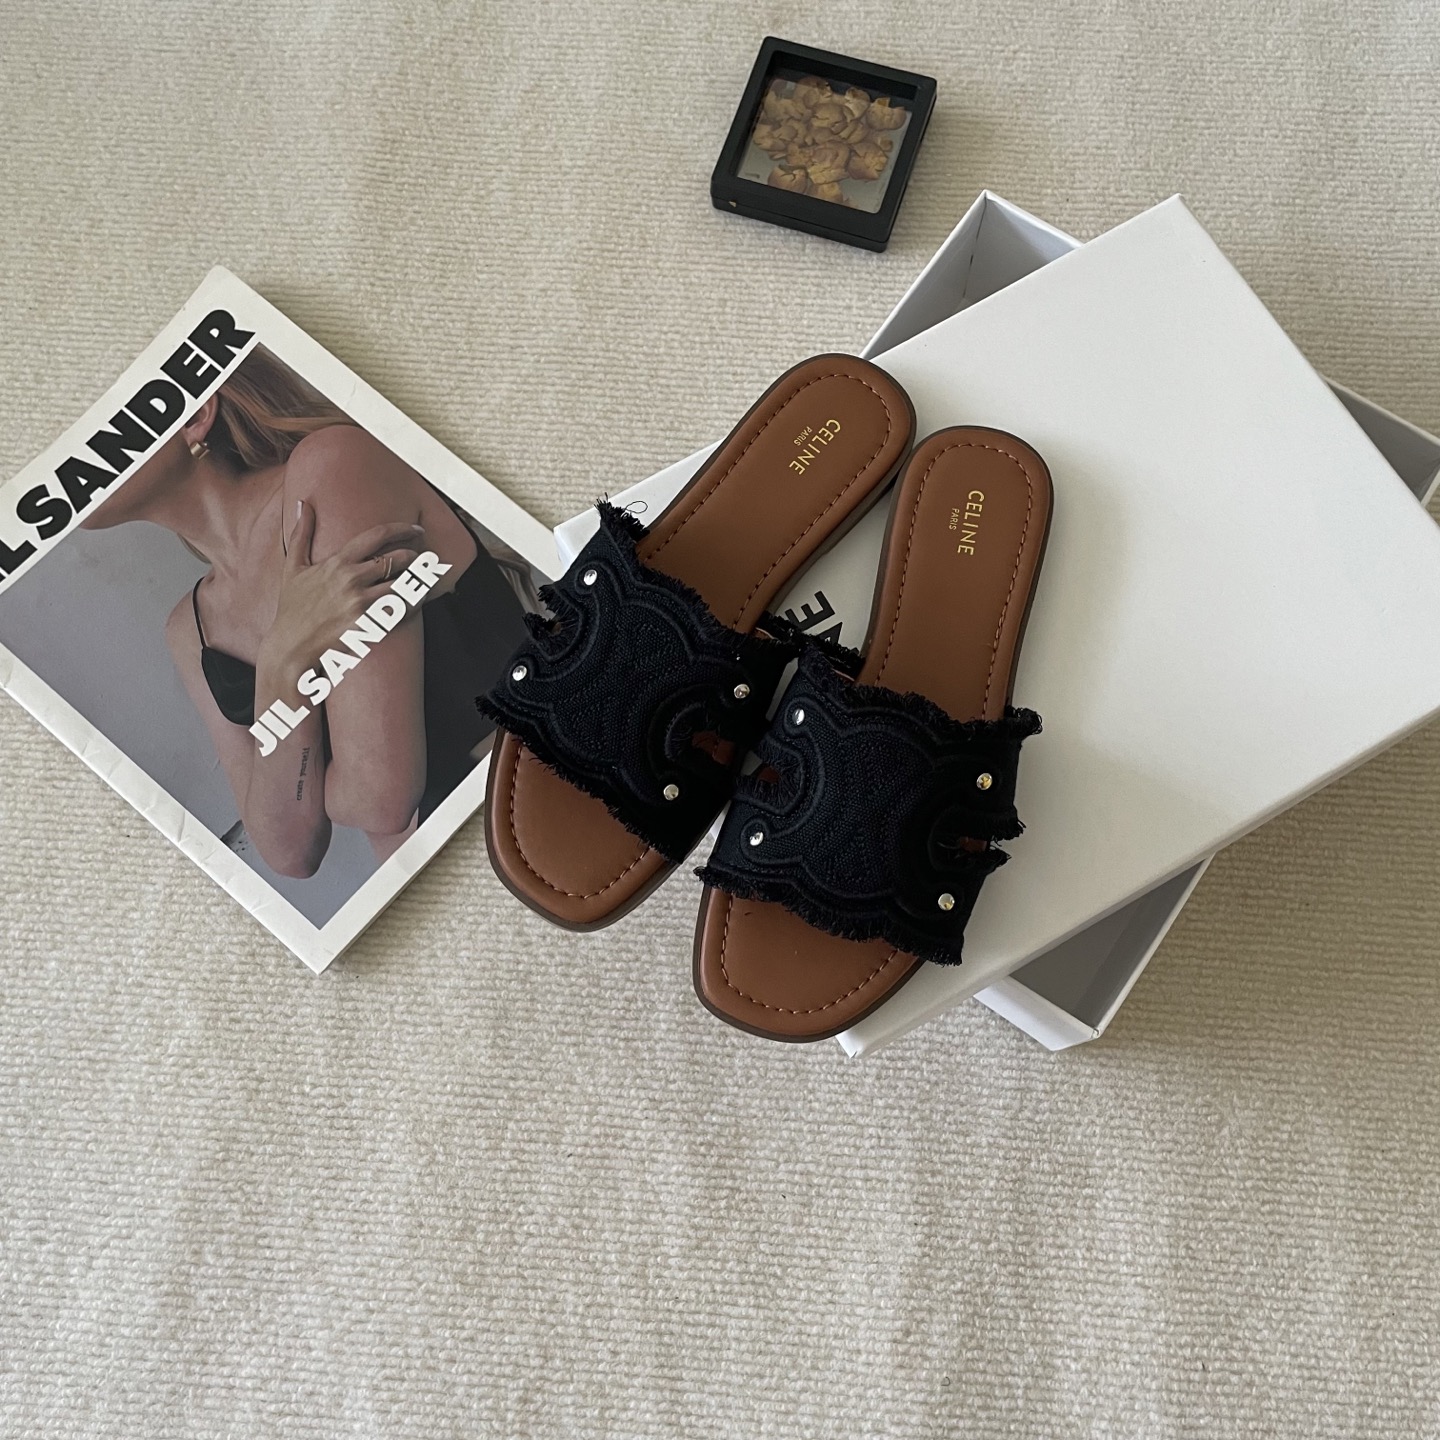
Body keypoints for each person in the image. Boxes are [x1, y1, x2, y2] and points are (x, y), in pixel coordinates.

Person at [83, 347, 527, 878]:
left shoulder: (333, 468)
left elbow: (379, 799)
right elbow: (288, 853)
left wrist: (291, 780)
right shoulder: (190, 629)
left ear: (195, 415)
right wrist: (280, 665)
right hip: (439, 883)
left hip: (541, 816)